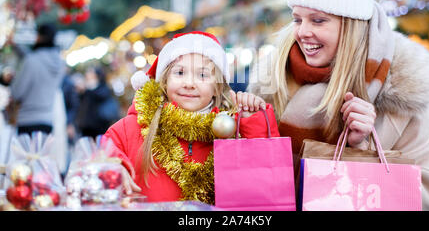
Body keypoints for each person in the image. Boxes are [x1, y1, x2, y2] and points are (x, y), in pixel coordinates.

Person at [247, 0, 429, 210]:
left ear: (352, 24)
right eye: (297, 19)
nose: (303, 32)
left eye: (318, 20)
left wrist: (361, 151)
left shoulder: (407, 93)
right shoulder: (273, 80)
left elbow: (426, 199)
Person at [102, 31, 279, 204]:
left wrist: (253, 122)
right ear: (164, 80)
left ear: (217, 87)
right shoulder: (130, 128)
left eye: (202, 75)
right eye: (180, 73)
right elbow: (101, 154)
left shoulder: (234, 128)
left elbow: (264, 179)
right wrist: (112, 166)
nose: (189, 84)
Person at [10, 23, 65, 135]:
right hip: (48, 120)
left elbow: (17, 92)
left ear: (39, 37)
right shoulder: (60, 64)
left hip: (27, 120)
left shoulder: (32, 61)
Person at [76, 66, 119, 139]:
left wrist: (88, 90)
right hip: (86, 125)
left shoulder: (103, 87)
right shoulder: (86, 87)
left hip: (100, 124)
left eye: (91, 72)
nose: (88, 74)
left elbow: (102, 95)